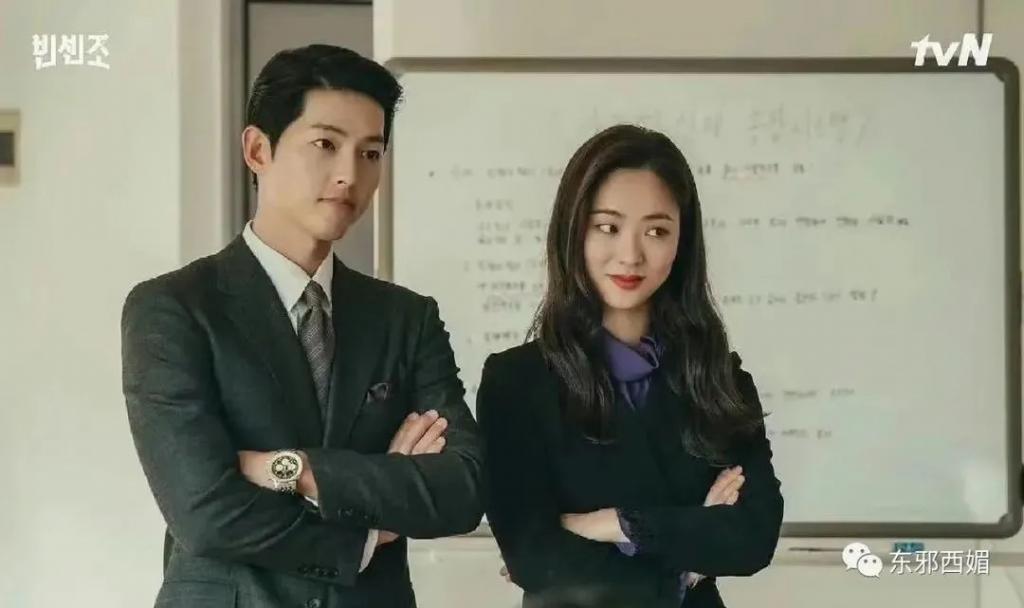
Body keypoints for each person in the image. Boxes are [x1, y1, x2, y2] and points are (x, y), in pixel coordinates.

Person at [121, 44, 483, 608]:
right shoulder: (174, 309)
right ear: (258, 149)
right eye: (325, 145)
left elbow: (463, 488)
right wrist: (369, 532)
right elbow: (206, 512)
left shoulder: (406, 319)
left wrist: (295, 470)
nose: (349, 175)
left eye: (370, 153)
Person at [478, 124, 784, 608]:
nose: (630, 255)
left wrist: (618, 524)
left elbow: (753, 538)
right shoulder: (517, 382)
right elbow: (534, 557)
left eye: (657, 231)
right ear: (573, 231)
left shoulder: (719, 380)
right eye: (608, 227)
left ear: (682, 242)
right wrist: (686, 562)